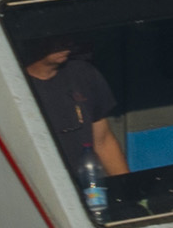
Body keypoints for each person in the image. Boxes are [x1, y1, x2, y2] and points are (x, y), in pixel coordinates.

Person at [22, 41, 126, 180]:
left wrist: (126, 186)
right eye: (55, 38)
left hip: (88, 185)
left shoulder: (82, 73)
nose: (65, 44)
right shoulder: (14, 84)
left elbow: (103, 141)